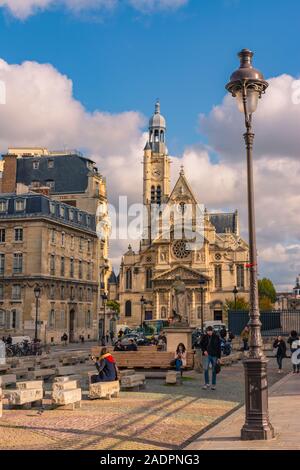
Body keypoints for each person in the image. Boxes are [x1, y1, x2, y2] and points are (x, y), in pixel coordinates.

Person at [200, 326, 221, 391]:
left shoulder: (216, 337)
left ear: (212, 331)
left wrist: (219, 357)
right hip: (207, 355)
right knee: (206, 369)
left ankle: (213, 384)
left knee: (214, 370)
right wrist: (204, 350)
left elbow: (219, 347)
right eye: (208, 331)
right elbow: (201, 344)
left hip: (214, 355)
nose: (209, 332)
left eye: (210, 331)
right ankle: (207, 383)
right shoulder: (204, 337)